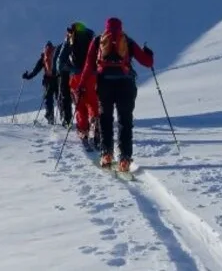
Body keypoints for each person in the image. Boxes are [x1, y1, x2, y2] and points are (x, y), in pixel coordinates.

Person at [76, 17, 154, 173]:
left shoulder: (98, 40)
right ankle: (125, 159)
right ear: (121, 27)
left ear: (106, 28)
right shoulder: (127, 41)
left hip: (104, 84)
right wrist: (149, 53)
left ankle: (107, 154)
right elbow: (147, 62)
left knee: (105, 119)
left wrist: (81, 85)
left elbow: (88, 65)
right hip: (126, 85)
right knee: (125, 121)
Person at [65, 21, 99, 149]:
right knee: (92, 102)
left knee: (80, 107)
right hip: (92, 77)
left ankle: (83, 132)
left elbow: (60, 62)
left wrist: (68, 68)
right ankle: (95, 126)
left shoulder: (70, 40)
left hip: (76, 77)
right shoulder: (92, 40)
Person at [22, 41, 59, 125]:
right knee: (60, 98)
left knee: (48, 100)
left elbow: (35, 71)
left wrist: (27, 76)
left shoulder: (43, 58)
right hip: (58, 80)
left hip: (48, 81)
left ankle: (50, 118)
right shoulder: (57, 55)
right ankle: (66, 119)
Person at [54, 35, 74, 127]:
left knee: (65, 97)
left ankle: (67, 119)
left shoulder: (61, 47)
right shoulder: (84, 43)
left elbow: (56, 61)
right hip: (78, 73)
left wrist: (56, 73)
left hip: (64, 74)